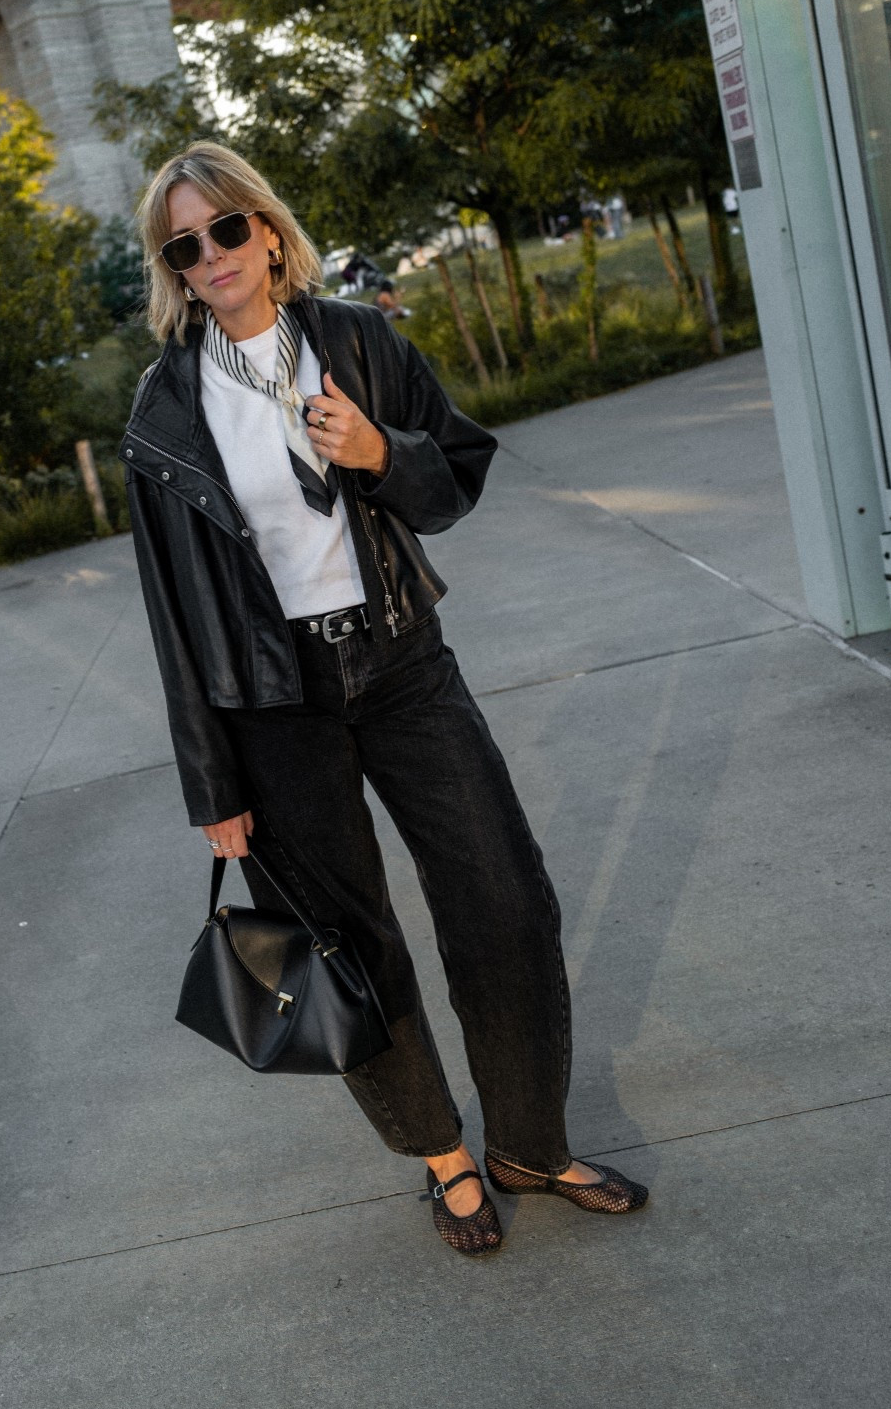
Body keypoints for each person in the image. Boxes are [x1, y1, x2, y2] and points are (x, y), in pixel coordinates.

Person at [119, 142, 647, 1258]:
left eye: (223, 229)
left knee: (500, 899)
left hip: (403, 661)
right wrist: (210, 782)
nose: (208, 255)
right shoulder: (165, 407)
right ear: (171, 264)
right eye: (183, 244)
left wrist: (375, 450)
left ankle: (525, 1143)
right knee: (349, 941)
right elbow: (172, 609)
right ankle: (442, 1158)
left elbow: (451, 475)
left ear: (264, 231)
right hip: (273, 707)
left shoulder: (356, 339)